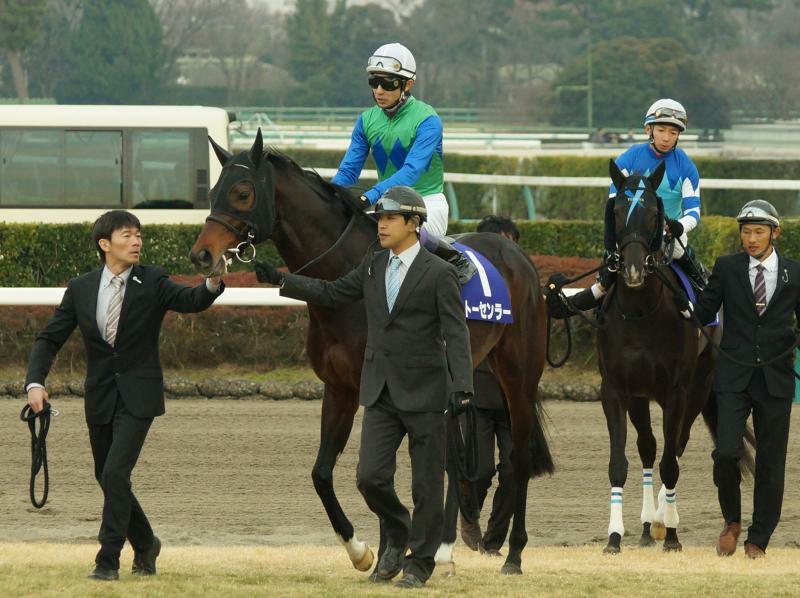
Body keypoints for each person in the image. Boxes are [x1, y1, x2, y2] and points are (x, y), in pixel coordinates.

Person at [255, 186, 473, 588]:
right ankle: (402, 527)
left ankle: (419, 565)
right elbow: (333, 292)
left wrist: (462, 386)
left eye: (390, 219)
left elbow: (456, 335)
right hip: (381, 391)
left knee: (427, 485)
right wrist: (283, 281)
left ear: (413, 223)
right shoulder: (373, 264)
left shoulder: (440, 272)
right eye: (380, 219)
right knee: (369, 477)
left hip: (427, 391)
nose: (382, 225)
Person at [25, 210, 224, 581]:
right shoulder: (81, 288)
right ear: (105, 244)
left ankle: (107, 560)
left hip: (139, 395)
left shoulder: (153, 279)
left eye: (139, 235)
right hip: (99, 395)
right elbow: (49, 338)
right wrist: (35, 383)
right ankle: (147, 543)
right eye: (127, 235)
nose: (136, 242)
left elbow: (192, 299)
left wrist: (212, 281)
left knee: (116, 473)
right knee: (106, 476)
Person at [672, 199, 799, 559]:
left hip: (776, 379)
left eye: (759, 232)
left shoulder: (794, 273)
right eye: (746, 232)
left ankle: (758, 538)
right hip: (732, 377)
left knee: (771, 462)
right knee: (725, 453)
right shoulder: (726, 268)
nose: (752, 238)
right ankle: (732, 521)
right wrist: (684, 307)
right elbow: (704, 311)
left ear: (775, 233)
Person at [330, 42, 474, 283]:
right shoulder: (366, 120)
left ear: (407, 84)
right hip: (387, 205)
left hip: (427, 204)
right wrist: (330, 193)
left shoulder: (428, 120)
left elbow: (411, 171)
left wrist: (369, 196)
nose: (379, 91)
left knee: (407, 243)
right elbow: (349, 170)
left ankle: (455, 260)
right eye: (374, 82)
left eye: (387, 83)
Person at [547, 98, 704, 316]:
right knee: (613, 263)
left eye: (673, 132)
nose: (667, 138)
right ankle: (597, 292)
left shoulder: (686, 167)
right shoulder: (629, 158)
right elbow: (614, 201)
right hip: (630, 232)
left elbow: (694, 212)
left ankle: (702, 295)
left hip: (669, 235)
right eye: (661, 130)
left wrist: (679, 226)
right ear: (649, 129)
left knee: (683, 255)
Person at [457, 215, 518, 556]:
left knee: (513, 470)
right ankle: (469, 517)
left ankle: (493, 543)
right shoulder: (464, 287)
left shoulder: (521, 286)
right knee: (478, 471)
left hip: (513, 400)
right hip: (478, 395)